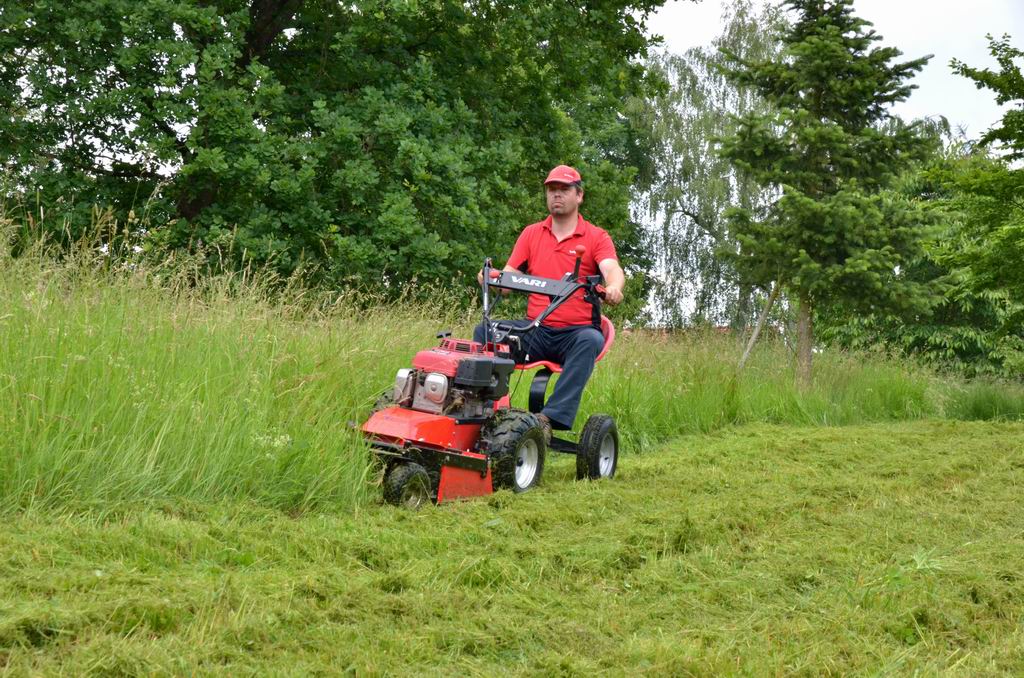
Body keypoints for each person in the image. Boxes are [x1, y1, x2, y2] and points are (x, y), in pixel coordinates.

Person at [475, 165, 625, 440]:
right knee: (484, 332)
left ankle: (549, 418)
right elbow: (510, 278)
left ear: (579, 196)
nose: (556, 195)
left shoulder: (595, 237)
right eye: (551, 190)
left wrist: (614, 287)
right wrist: (492, 278)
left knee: (590, 340)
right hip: (536, 331)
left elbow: (612, 268)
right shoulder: (532, 234)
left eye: (564, 190)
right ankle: (489, 411)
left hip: (575, 332)